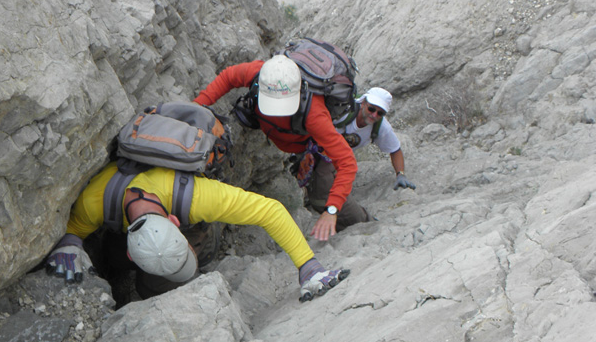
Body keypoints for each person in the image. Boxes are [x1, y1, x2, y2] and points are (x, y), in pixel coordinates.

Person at [46, 161, 350, 303]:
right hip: (123, 231)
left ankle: (191, 260)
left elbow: (270, 210)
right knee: (140, 274)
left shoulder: (199, 197)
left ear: (178, 224)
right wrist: (70, 244)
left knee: (176, 270)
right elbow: (73, 229)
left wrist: (308, 266)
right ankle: (144, 284)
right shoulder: (91, 203)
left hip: (180, 211)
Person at [193, 54, 358, 240]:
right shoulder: (260, 74)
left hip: (314, 148)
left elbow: (347, 162)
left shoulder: (315, 114)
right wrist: (197, 107)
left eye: (282, 106)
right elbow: (229, 76)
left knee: (322, 194)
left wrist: (332, 209)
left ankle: (365, 222)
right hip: (288, 141)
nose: (276, 112)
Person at [304, 87, 414, 215]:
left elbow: (395, 149)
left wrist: (400, 174)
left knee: (326, 180)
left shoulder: (381, 127)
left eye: (380, 113)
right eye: (371, 109)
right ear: (363, 103)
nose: (374, 115)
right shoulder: (343, 111)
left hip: (335, 160)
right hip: (312, 148)